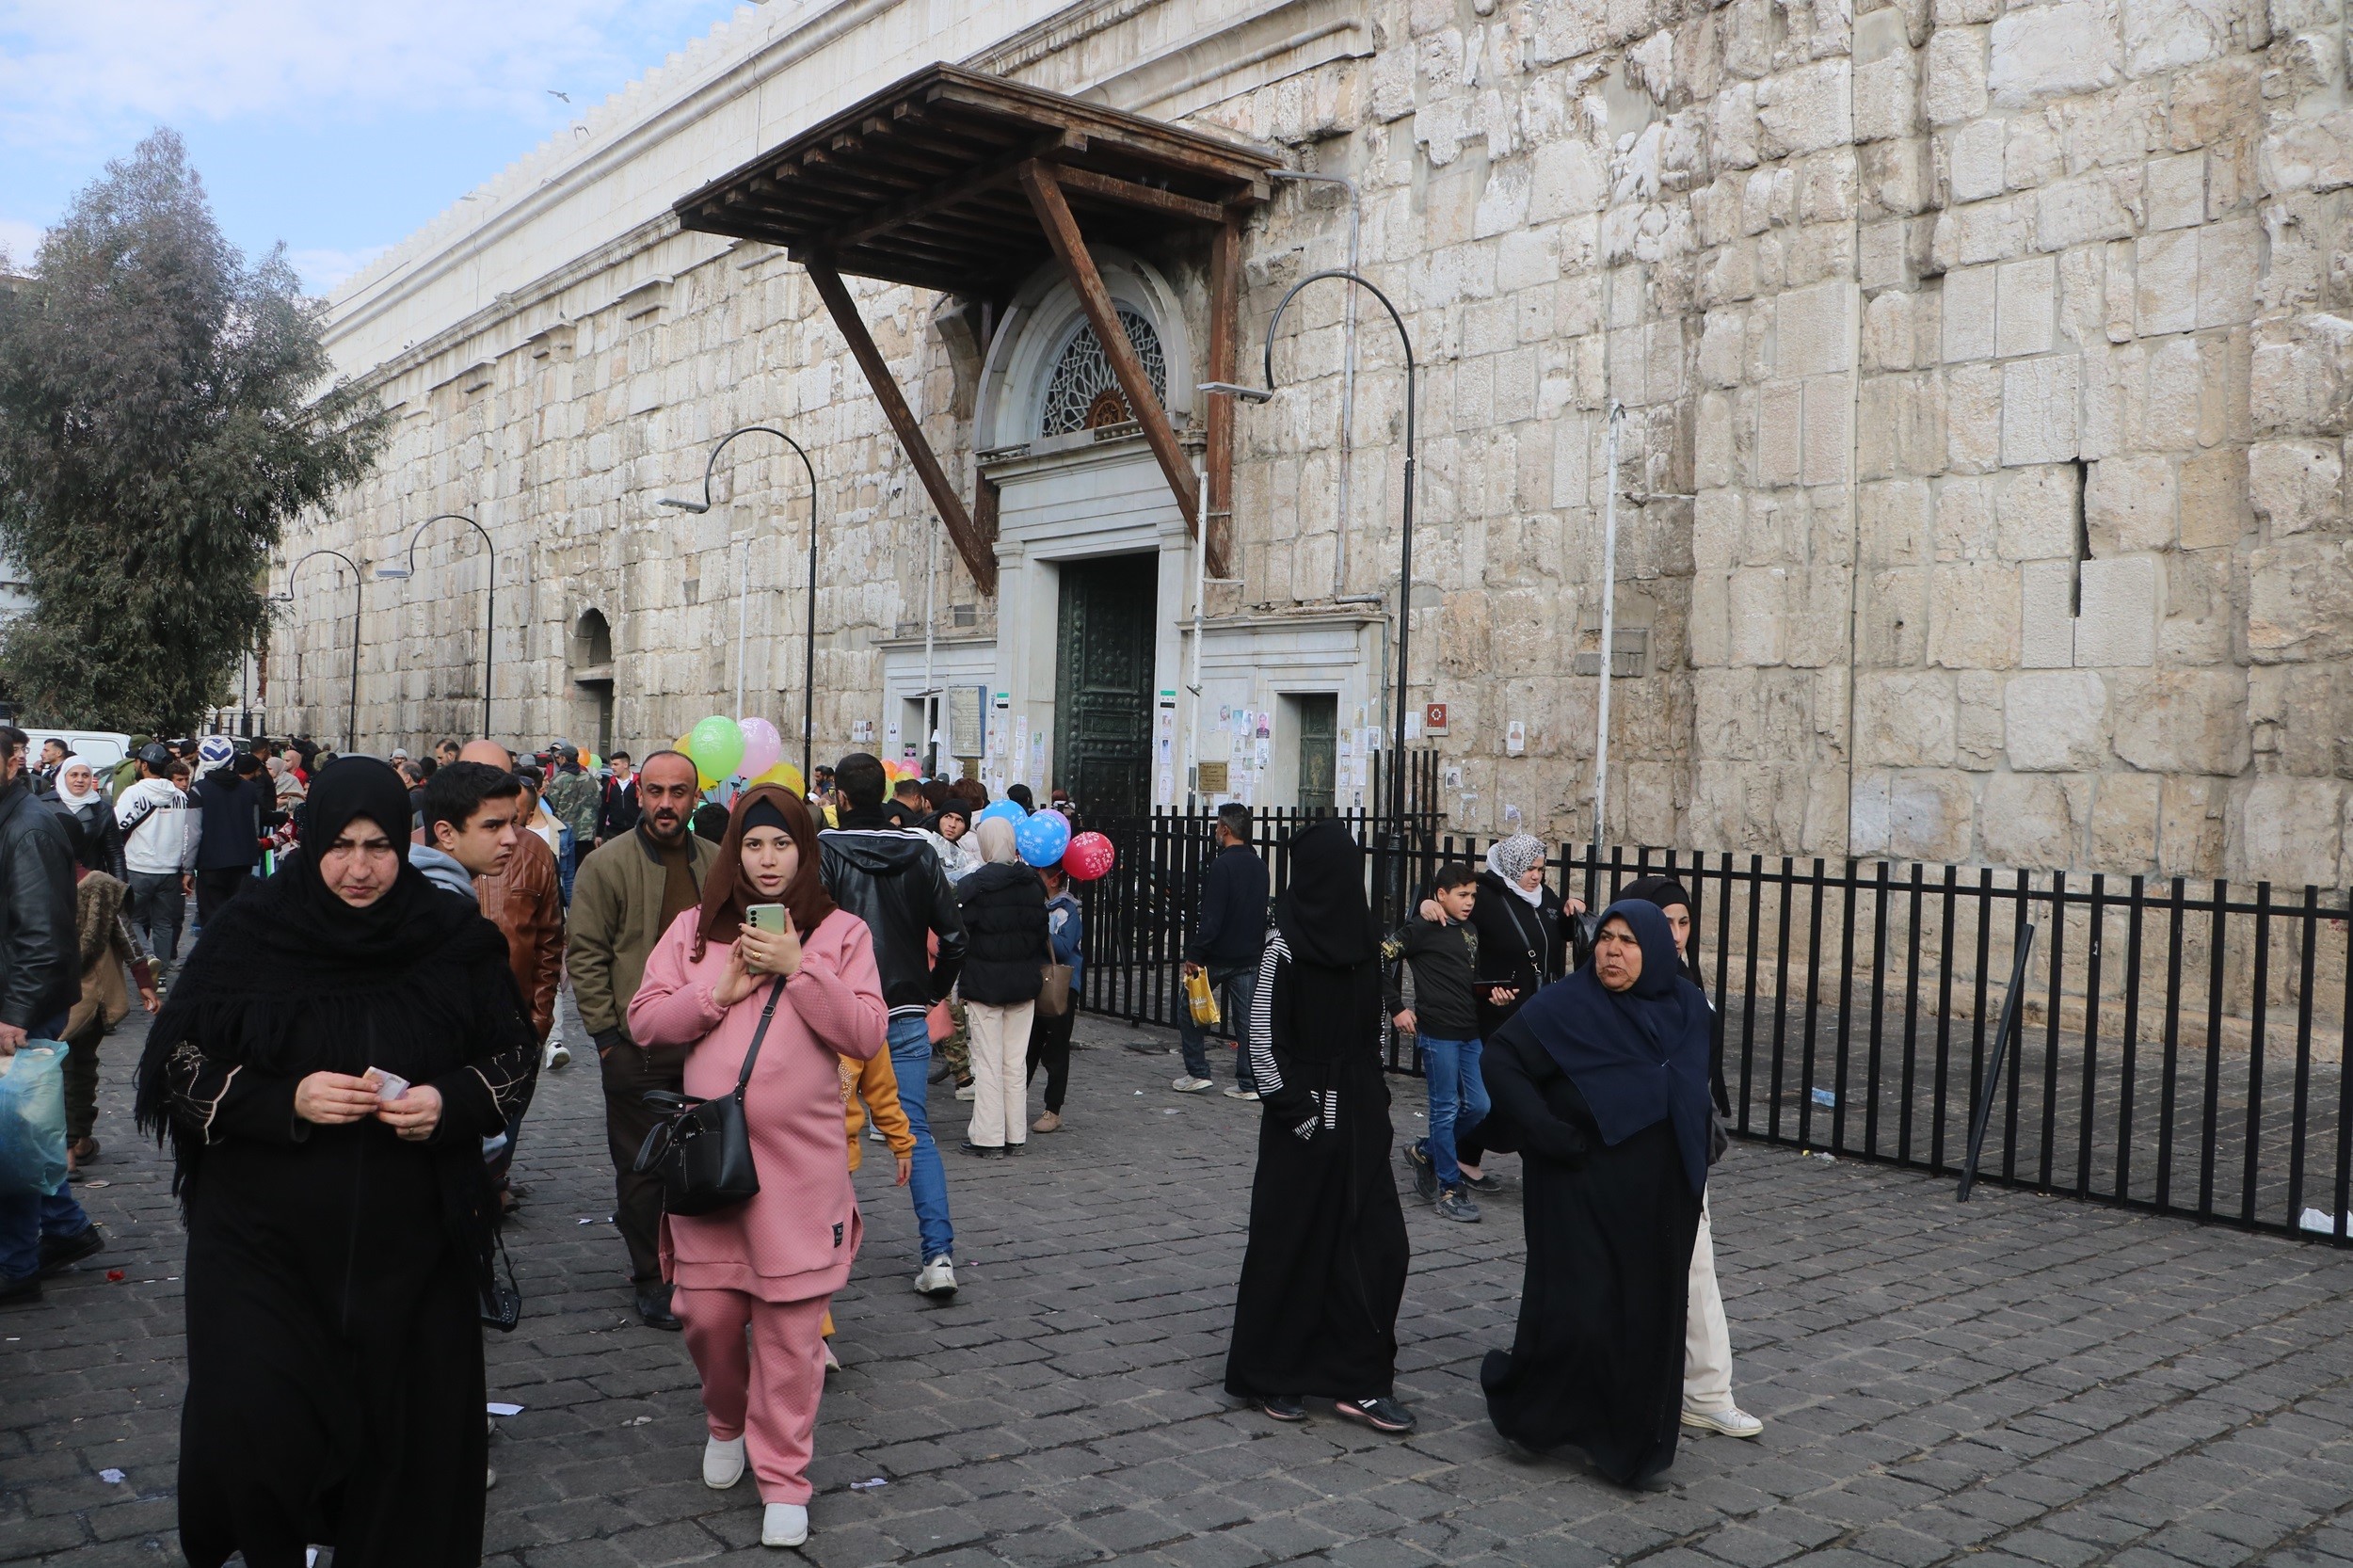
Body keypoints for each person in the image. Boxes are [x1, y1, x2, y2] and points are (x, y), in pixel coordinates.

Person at [132, 758, 535, 1562]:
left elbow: (513, 1059)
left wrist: (447, 1101)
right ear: (310, 841)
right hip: (262, 1248)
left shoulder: (454, 939)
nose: (359, 868)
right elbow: (174, 1067)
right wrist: (284, 1100)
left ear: (407, 842)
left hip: (410, 1253)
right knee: (261, 1427)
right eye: (342, 845)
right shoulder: (252, 932)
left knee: (405, 1446)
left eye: (379, 846)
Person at [627, 784, 887, 1550]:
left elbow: (867, 1033)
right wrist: (720, 990)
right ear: (733, 851)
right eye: (754, 845)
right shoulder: (694, 932)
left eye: (784, 845)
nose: (768, 860)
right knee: (705, 1319)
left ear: (806, 852)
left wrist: (801, 967)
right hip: (712, 1170)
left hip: (801, 1176)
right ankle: (724, 1418)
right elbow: (646, 1020)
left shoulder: (840, 933)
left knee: (790, 1337)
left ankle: (784, 1477)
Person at [1478, 900, 1714, 1490]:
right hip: (1579, 1182)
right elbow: (1501, 1058)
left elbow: (1689, 1080)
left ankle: (1630, 1443)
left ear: (1656, 950)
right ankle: (1538, 1414)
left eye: (1629, 941)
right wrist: (1545, 1130)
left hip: (1663, 1189)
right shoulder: (1569, 1002)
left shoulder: (1687, 1005)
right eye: (1605, 937)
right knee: (1579, 1307)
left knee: (1649, 1311)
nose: (1611, 951)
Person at [1225, 819, 1414, 1434]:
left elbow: (1378, 1026)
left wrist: (1373, 1101)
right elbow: (1261, 1040)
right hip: (1301, 1122)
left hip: (1360, 1118)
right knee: (1292, 1248)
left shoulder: (1366, 940)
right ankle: (1273, 1373)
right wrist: (1299, 1115)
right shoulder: (1284, 945)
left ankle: (1360, 1378)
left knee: (1377, 1247)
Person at [568, 750, 718, 1329]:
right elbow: (586, 955)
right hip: (636, 1046)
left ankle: (701, 1264)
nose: (664, 803)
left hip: (708, 1042)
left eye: (677, 792)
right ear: (639, 794)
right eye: (654, 790)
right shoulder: (606, 865)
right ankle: (651, 1276)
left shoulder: (716, 860)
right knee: (640, 1168)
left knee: (704, 1161)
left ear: (694, 796)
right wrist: (608, 1039)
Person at [1619, 873, 1764, 1442]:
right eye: (1666, 922)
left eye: (1684, 922)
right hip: (1627, 1146)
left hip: (1679, 1146)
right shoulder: (1621, 979)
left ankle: (1706, 1392)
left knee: (1697, 1264)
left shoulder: (1685, 980)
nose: (1676, 934)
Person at [817, 752, 967, 1299]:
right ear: (882, 795)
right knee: (916, 1131)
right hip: (904, 1009)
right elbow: (954, 938)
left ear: (839, 796)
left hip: (841, 1012)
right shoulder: (921, 853)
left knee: (826, 1137)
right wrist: (929, 992)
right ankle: (939, 1255)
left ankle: (819, 1269)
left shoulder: (824, 851)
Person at [0, 726, 104, 1305]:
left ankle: (16, 1267)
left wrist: (13, 1014)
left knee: (12, 1138)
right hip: (16, 999)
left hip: (19, 1007)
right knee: (18, 1134)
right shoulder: (10, 819)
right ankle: (66, 1229)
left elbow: (41, 937)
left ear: (9, 762)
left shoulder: (28, 829)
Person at [1438, 833, 1586, 1192]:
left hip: (1540, 1009)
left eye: (1541, 869)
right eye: (1530, 869)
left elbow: (1554, 935)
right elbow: (1452, 925)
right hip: (1498, 1010)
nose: (1537, 876)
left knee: (1529, 1087)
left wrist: (1571, 912)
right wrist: (1431, 907)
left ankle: (1466, 1157)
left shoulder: (1543, 897)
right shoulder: (1486, 896)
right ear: (1513, 867)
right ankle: (1467, 1155)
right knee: (1507, 1090)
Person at [1386, 863, 1489, 1223]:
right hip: (1437, 1033)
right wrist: (1396, 1007)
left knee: (1479, 1106)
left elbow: (1470, 979)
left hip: (1469, 1032)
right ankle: (1449, 1188)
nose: (1469, 901)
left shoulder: (1471, 930)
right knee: (1444, 1108)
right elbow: (1378, 959)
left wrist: (1494, 995)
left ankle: (1425, 1151)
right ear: (1440, 895)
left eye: (1473, 895)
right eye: (1462, 894)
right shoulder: (1422, 927)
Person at [952, 816, 1048, 1156]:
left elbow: (959, 936)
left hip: (984, 983)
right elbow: (1040, 933)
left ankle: (988, 1136)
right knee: (1014, 1061)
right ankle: (1015, 1133)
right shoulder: (1033, 883)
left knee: (987, 1062)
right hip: (1024, 983)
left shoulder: (974, 885)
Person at [61, 869, 159, 1169]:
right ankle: (76, 1142)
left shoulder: (35, 877)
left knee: (60, 1070)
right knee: (82, 1065)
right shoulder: (101, 887)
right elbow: (125, 935)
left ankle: (67, 1147)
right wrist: (143, 981)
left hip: (51, 994)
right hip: (93, 994)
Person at [1175, 804, 1268, 1097]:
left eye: (1217, 826)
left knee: (1188, 1007)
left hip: (1218, 955)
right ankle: (1249, 1082)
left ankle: (1198, 1072)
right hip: (1250, 955)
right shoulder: (1260, 865)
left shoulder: (1222, 865)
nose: (1215, 831)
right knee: (1247, 1022)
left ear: (1225, 830)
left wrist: (1195, 954)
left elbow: (1212, 916)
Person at [1027, 860, 1083, 1134]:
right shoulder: (1033, 904)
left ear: (1052, 880)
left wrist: (1039, 927)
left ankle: (1053, 1109)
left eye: (1039, 876)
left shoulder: (1067, 909)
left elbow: (1063, 948)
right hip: (1034, 982)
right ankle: (1014, 1100)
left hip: (1061, 987)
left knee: (1056, 1048)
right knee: (1028, 1047)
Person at [189, 750, 268, 928]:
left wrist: (187, 868)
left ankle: (212, 952)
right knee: (237, 914)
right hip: (242, 860)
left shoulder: (199, 790)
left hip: (210, 863)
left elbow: (193, 832)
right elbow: (254, 826)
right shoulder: (249, 789)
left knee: (211, 916)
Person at [48, 756, 126, 881]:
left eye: (85, 775)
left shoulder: (103, 810)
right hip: (51, 881)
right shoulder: (45, 805)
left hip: (89, 884)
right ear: (63, 777)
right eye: (74, 775)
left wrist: (121, 890)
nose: (80, 780)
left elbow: (114, 853)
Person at [544, 744, 600, 901]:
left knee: (566, 877)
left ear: (563, 758)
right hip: (586, 834)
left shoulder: (559, 779)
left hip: (564, 833)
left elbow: (550, 806)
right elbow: (597, 803)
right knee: (583, 874)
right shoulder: (589, 777)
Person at [598, 750, 640, 845]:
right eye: (612, 764)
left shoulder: (639, 783)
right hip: (613, 833)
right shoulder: (608, 785)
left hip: (635, 832)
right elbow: (603, 810)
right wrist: (598, 834)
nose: (612, 767)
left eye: (616, 764)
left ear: (625, 765)